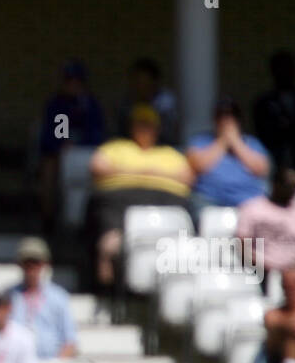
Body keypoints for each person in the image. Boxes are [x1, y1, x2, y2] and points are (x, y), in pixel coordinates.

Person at [87, 104, 193, 293]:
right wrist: (152, 173)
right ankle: (108, 253)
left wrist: (131, 171)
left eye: (149, 125)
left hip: (165, 200)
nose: (145, 129)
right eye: (140, 125)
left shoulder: (170, 153)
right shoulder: (115, 147)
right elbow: (97, 167)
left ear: (157, 129)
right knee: (105, 213)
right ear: (131, 127)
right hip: (119, 198)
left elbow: (187, 177)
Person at [37, 60, 107, 230]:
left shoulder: (90, 104)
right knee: (50, 169)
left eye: (77, 81)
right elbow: (55, 135)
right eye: (69, 80)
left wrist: (81, 143)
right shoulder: (57, 105)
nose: (73, 85)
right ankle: (49, 221)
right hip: (61, 155)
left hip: (89, 154)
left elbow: (97, 134)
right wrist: (64, 144)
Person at [185, 97, 271, 209]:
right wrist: (222, 141)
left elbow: (261, 169)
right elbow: (198, 166)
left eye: (231, 116)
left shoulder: (253, 143)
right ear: (215, 119)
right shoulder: (200, 141)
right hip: (209, 200)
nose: (226, 120)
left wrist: (236, 142)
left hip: (248, 201)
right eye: (222, 116)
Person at [235, 167, 295, 278]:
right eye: (288, 186)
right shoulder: (252, 208)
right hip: (259, 273)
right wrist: (257, 266)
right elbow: (241, 243)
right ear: (275, 184)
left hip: (291, 273)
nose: (292, 190)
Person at [9, 236, 78, 358]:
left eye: (36, 262)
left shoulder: (59, 297)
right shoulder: (9, 296)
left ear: (44, 264)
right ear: (20, 264)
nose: (31, 267)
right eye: (27, 263)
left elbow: (70, 342)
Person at [252, 50, 295, 172]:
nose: (285, 73)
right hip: (274, 158)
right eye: (280, 69)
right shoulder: (264, 102)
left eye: (289, 68)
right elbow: (264, 133)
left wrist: (292, 129)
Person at [116, 58, 179, 146]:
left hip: (161, 150)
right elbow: (121, 135)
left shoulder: (166, 103)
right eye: (136, 82)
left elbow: (170, 135)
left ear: (154, 82)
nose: (140, 87)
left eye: (144, 82)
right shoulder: (125, 103)